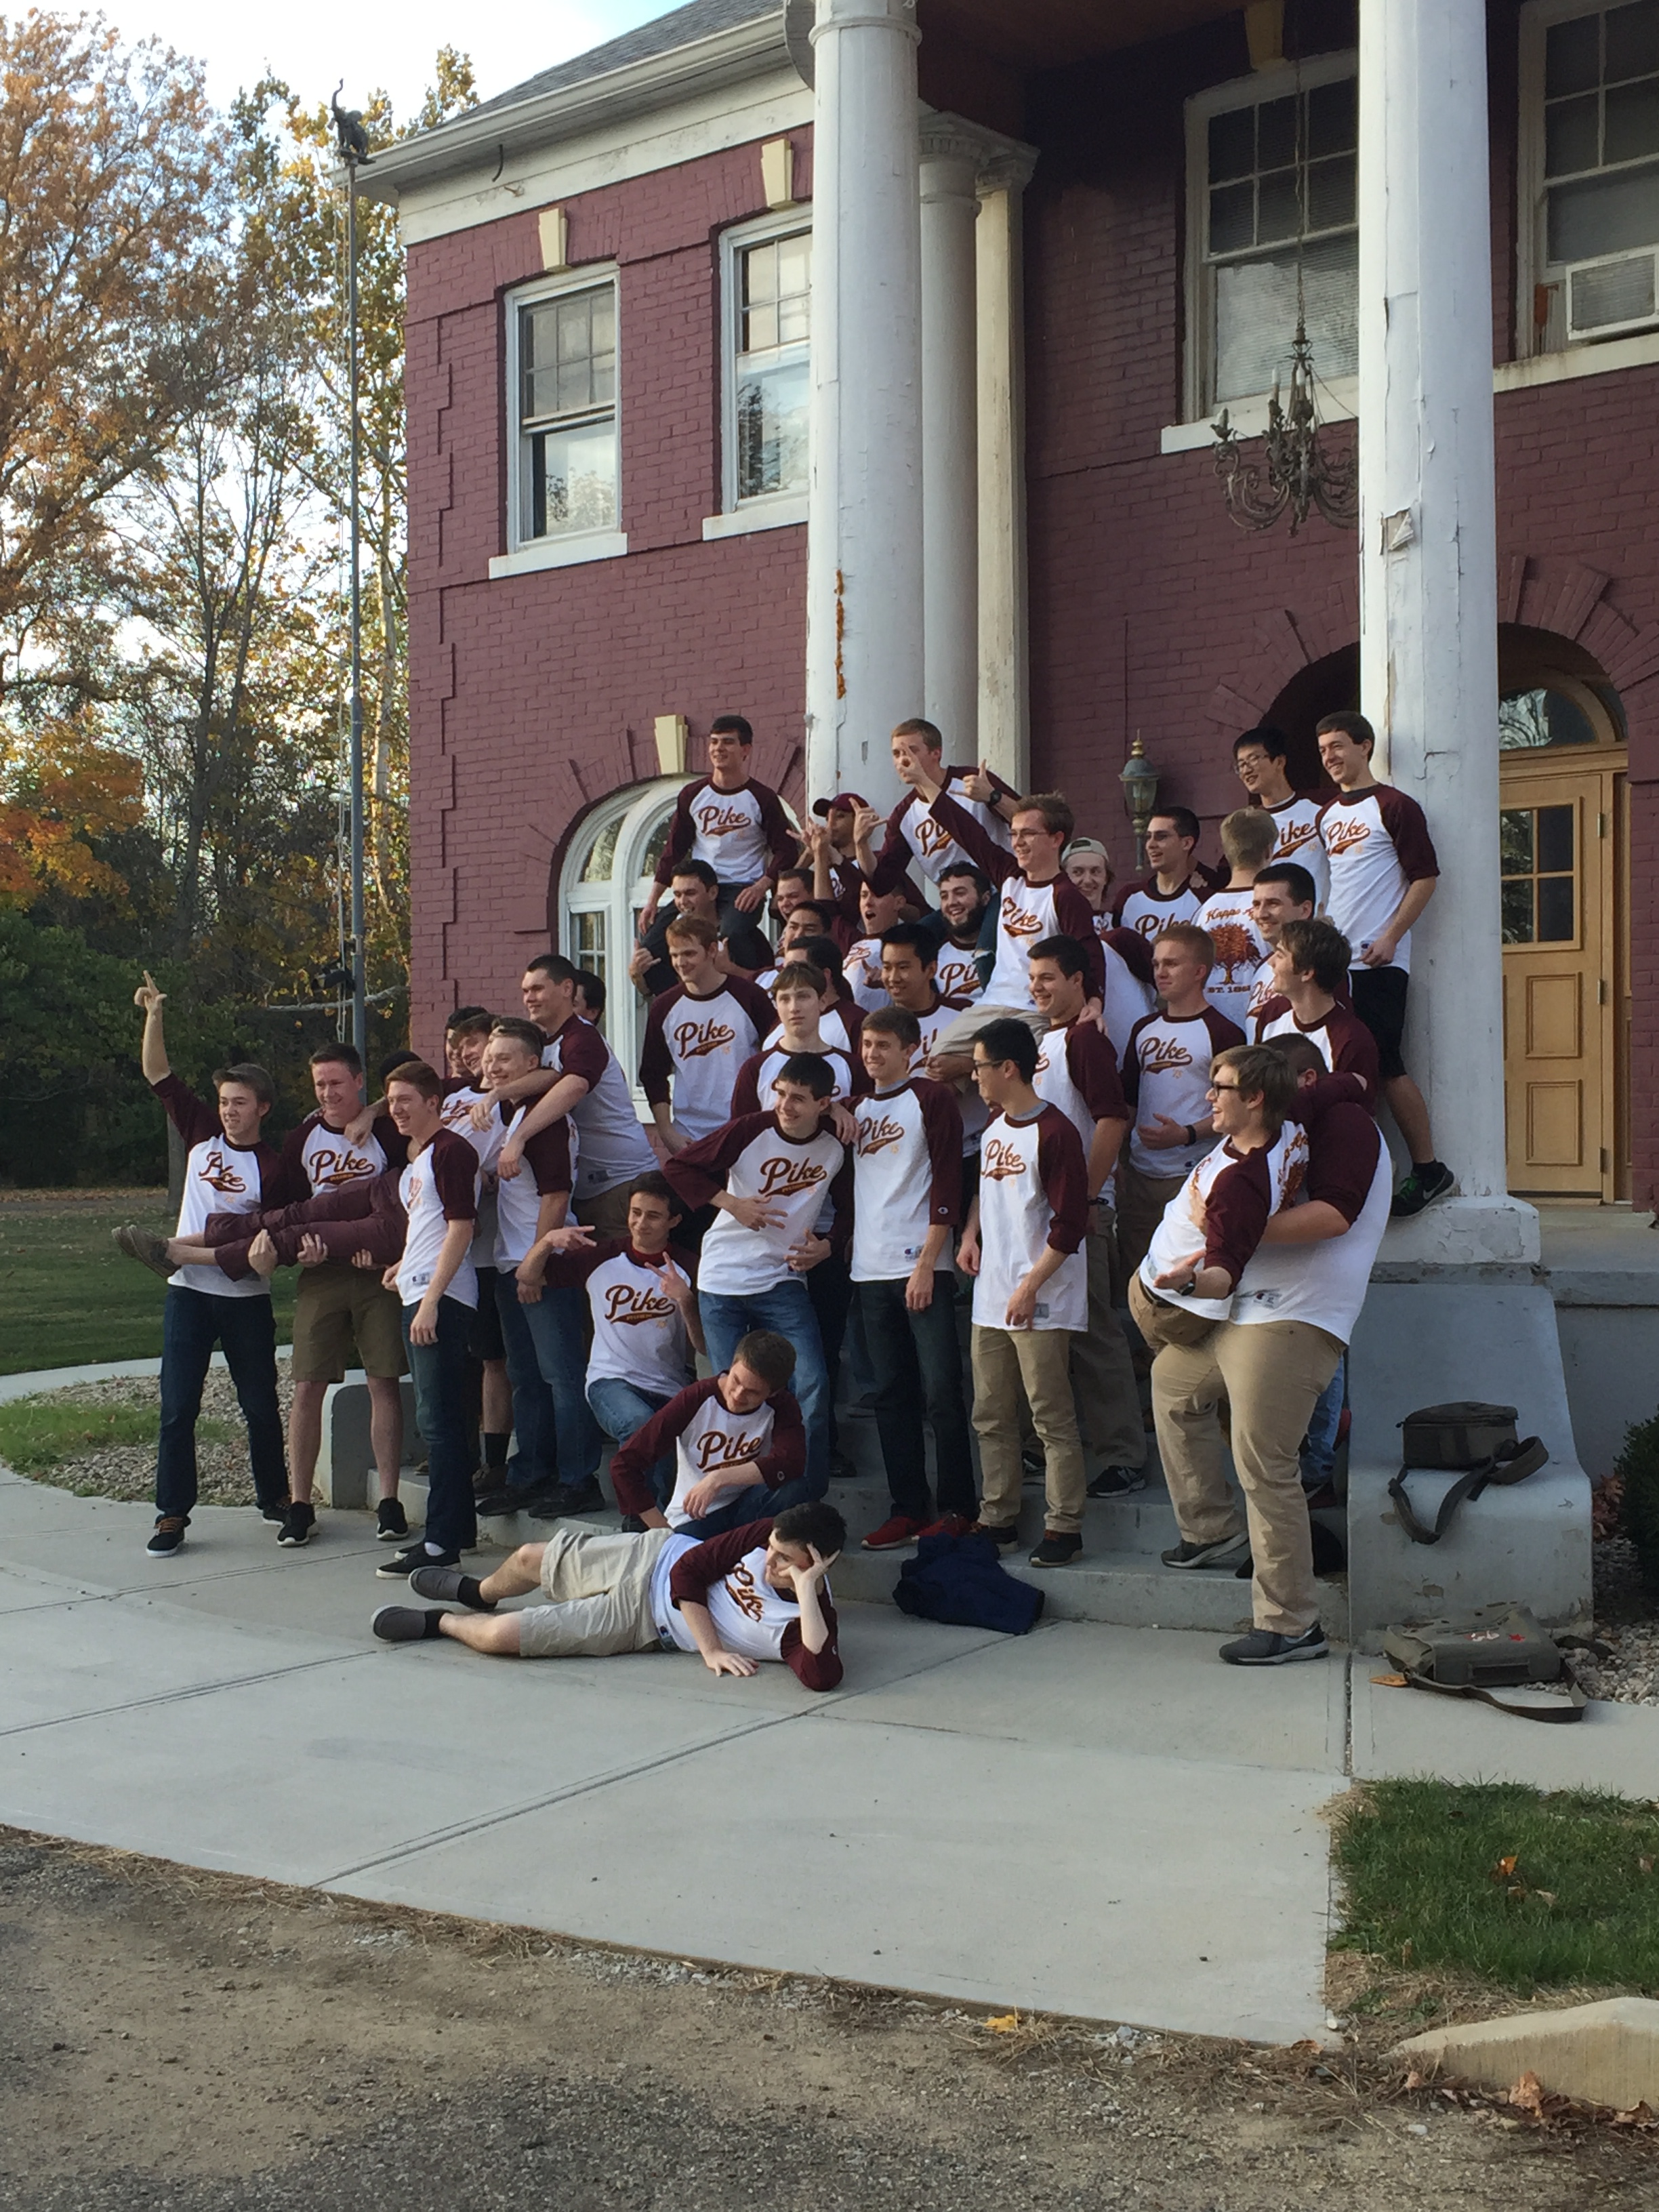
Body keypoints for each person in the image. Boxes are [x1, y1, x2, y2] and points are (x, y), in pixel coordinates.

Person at [1154, 1050, 1391, 1666]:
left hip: (1299, 1315)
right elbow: (1353, 1076)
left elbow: (1337, 1215)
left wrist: (1232, 1231)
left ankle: (1291, 1624)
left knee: (1264, 1460)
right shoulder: (1292, 1121)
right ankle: (1213, 1530)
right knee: (1173, 1385)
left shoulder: (1348, 1127)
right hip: (1248, 1307)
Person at [115, 974, 289, 1557]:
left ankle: (276, 1499)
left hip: (245, 1298)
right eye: (224, 1102)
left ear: (262, 1107)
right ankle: (172, 1515)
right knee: (178, 1406)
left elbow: (271, 1238)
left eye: (240, 1103)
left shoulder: (276, 1165)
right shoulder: (201, 1137)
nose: (230, 1112)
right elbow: (157, 1074)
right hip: (188, 1291)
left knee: (260, 1403)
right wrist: (154, 1015)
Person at [371, 1501, 845, 1692]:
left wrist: (806, 1592)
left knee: (503, 1636)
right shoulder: (768, 1534)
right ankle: (477, 1592)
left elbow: (822, 1676)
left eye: (785, 1561)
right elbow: (689, 1572)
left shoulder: (799, 1624)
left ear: (821, 1561)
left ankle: (440, 1622)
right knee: (528, 1558)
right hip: (655, 1556)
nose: (769, 1562)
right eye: (772, 1550)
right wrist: (712, 1648)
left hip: (643, 1621)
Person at [662, 1057, 851, 1497]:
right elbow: (679, 1167)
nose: (785, 1104)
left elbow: (850, 1204)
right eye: (781, 1093)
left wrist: (830, 1243)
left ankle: (804, 1495)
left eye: (798, 1099)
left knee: (812, 1385)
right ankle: (735, 1500)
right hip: (723, 1278)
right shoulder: (752, 1128)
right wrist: (731, 1203)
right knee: (735, 1399)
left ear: (824, 1103)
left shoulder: (836, 1144)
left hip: (782, 1279)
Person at [254, 1042, 409, 1547]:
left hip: (377, 1274)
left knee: (384, 1380)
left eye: (336, 1083)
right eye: (320, 1085)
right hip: (322, 1272)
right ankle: (301, 1504)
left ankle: (389, 1500)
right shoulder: (302, 1138)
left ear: (360, 1083)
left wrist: (390, 1255)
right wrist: (303, 1253)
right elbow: (290, 1209)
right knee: (307, 1385)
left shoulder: (384, 1131)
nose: (327, 1093)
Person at [956, 1019, 1090, 1569]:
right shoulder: (994, 1126)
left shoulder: (1055, 1133)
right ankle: (999, 1516)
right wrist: (970, 1234)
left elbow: (1070, 1223)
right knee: (989, 1412)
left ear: (1008, 1068)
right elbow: (986, 1193)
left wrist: (1032, 1285)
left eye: (981, 1066)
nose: (974, 1076)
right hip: (992, 1293)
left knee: (1050, 1416)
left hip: (1041, 1294)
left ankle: (1065, 1525)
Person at [845, 1007, 975, 1549]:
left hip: (922, 1266)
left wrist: (928, 1261)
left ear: (910, 1049)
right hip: (868, 1269)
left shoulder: (931, 1098)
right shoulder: (851, 1111)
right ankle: (907, 1507)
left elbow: (949, 1177)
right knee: (891, 1394)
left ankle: (958, 1507)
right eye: (866, 1044)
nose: (872, 1054)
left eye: (883, 1045)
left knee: (942, 1390)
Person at [1315, 710, 1452, 1216]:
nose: (1330, 757)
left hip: (1379, 963)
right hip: (1335, 964)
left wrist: (1392, 936)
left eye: (1338, 746)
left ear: (1365, 747)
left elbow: (1426, 878)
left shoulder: (1395, 805)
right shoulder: (1327, 815)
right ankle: (1352, 1174)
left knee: (1388, 1064)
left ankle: (1429, 1168)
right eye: (1324, 749)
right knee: (1341, 1067)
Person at [1025, 936, 1145, 1501]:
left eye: (1049, 977)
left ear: (1080, 982)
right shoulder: (1045, 1041)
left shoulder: (1086, 1042)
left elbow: (1112, 1122)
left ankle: (1123, 1455)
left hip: (1082, 1216)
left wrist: (1089, 1200)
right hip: (1043, 1218)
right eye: (1033, 979)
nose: (1038, 987)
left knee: (1096, 1331)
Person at [521, 1171, 702, 1523]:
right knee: (639, 1424)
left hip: (668, 1386)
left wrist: (686, 1302)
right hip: (610, 1381)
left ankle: (658, 1529)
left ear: (674, 1221)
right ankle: (640, 1526)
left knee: (664, 1440)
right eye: (635, 1213)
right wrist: (546, 1242)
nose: (640, 1223)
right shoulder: (601, 1257)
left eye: (652, 1215)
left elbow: (704, 1346)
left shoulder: (689, 1266)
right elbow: (527, 1277)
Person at [372, 1060, 483, 1580]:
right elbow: (431, 1231)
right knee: (445, 1422)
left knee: (439, 1425)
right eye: (391, 1102)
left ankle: (440, 1543)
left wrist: (433, 1299)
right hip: (416, 1290)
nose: (395, 1110)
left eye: (405, 1101)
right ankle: (457, 1528)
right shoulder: (420, 1161)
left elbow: (462, 1227)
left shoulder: (452, 1151)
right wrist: (405, 1266)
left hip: (440, 1302)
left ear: (433, 1103)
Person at [1128, 1044, 1306, 1358]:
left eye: (1219, 1089)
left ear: (1254, 1098)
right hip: (1173, 1294)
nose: (1209, 1097)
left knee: (1177, 1393)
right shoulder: (1289, 1127)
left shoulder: (1237, 1184)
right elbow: (1336, 1089)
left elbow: (1224, 1275)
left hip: (1173, 1306)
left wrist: (1189, 1282)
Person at [909, 788, 1106, 1050]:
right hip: (993, 1001)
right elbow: (970, 834)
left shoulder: (1066, 896)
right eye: (1014, 834)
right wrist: (925, 781)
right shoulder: (1010, 876)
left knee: (1008, 1069)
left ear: (1056, 839)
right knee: (939, 1060)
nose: (1018, 842)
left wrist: (1094, 1001)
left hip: (1035, 1010)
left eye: (1028, 834)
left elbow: (1089, 951)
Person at [493, 954, 656, 1240]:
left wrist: (519, 1137)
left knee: (626, 1279)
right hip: (586, 1189)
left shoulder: (583, 1037)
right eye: (525, 991)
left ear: (567, 988)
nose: (529, 998)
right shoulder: (544, 1043)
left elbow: (574, 1086)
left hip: (623, 1183)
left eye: (537, 989)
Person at [1116, 925, 1246, 1279]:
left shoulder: (1224, 1032)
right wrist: (1118, 1160)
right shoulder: (1143, 1029)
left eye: (1172, 964)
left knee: (1183, 1272)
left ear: (1199, 971)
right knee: (1135, 1277)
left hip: (1194, 1176)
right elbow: (1127, 1101)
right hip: (1140, 1175)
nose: (1160, 972)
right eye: (1157, 963)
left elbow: (1237, 1110)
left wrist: (1187, 1134)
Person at [604, 1330, 809, 1538]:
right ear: (731, 1366)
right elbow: (624, 1464)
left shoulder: (783, 1405)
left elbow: (791, 1461)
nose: (738, 1395)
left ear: (773, 1393)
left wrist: (719, 1478)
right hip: (696, 1512)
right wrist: (661, 1532)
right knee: (685, 1555)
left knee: (794, 1488)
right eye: (736, 1381)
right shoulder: (696, 1398)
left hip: (750, 1504)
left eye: (752, 1392)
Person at [641, 714, 797, 935]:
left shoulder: (762, 798)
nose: (719, 748)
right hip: (699, 886)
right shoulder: (692, 795)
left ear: (746, 750)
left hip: (742, 887)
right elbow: (674, 850)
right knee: (654, 943)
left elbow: (786, 850)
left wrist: (761, 887)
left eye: (728, 742)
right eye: (714, 741)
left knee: (730, 936)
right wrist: (652, 901)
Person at [639, 916, 775, 1155]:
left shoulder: (750, 996)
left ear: (712, 950)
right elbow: (653, 1073)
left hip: (744, 1131)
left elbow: (776, 1058)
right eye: (674, 955)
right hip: (689, 1136)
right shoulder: (664, 1006)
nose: (681, 963)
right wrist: (666, 1131)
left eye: (689, 954)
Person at [855, 718, 1017, 898]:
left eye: (912, 751)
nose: (903, 760)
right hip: (954, 903)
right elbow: (882, 883)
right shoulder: (903, 815)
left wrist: (994, 797)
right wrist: (861, 844)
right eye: (896, 753)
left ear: (936, 753)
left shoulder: (972, 781)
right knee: (918, 928)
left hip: (1000, 890)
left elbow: (1031, 819)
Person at [1253, 918, 1380, 1103]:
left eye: (1280, 955)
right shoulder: (1272, 1012)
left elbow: (1357, 1117)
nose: (1271, 963)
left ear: (1307, 973)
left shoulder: (1352, 1039)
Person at [1062, 836, 1158, 1054]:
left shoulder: (1122, 930)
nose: (1088, 880)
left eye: (1096, 871)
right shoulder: (1053, 929)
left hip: (1132, 1040)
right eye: (1077, 872)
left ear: (1107, 878)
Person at [629, 857, 773, 998]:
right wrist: (637, 975)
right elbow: (653, 993)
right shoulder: (668, 938)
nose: (683, 902)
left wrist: (730, 969)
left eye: (690, 893)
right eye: (677, 895)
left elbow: (770, 987)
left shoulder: (743, 934)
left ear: (713, 893)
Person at [733, 962, 862, 1111]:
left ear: (822, 1002)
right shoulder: (755, 1068)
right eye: (785, 999)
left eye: (803, 997)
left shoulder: (852, 1068)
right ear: (776, 1006)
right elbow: (744, 1130)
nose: (794, 1008)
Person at [1193, 809, 1277, 1033]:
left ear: (1227, 852)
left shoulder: (1203, 911)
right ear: (1269, 851)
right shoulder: (1274, 909)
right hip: (1262, 1027)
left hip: (1212, 1032)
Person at [1231, 724, 1330, 907]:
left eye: (1253, 759)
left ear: (1279, 762)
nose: (1246, 770)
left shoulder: (1319, 811)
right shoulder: (1248, 825)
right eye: (1241, 765)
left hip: (1320, 924)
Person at [1111, 807, 1216, 938]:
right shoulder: (1128, 897)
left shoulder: (1206, 900)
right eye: (1148, 837)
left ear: (1186, 843)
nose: (1151, 844)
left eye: (1161, 837)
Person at [838, 879, 906, 1012]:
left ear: (898, 903)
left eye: (877, 895)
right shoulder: (853, 943)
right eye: (864, 895)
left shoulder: (904, 945)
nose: (868, 902)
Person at [932, 862, 992, 1007]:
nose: (951, 903)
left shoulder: (1004, 949)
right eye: (944, 896)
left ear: (985, 899)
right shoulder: (932, 956)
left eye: (960, 893)